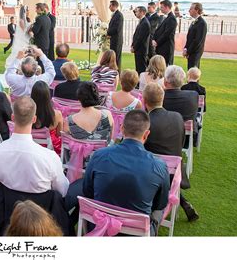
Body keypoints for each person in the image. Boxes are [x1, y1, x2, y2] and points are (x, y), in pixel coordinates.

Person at [68, 110, 170, 236]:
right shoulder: (159, 165)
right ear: (146, 134)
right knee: (159, 211)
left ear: (121, 128)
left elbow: (88, 190)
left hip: (98, 223)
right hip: (135, 232)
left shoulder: (100, 155)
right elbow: (160, 203)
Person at [0, 96, 69, 196]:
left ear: (13, 117)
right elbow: (63, 190)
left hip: (8, 208)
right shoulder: (49, 157)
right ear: (34, 119)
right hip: (38, 208)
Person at [142, 82, 199, 222]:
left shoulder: (144, 121)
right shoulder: (177, 117)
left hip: (150, 172)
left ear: (144, 101)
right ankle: (183, 202)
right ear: (163, 98)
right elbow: (179, 144)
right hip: (173, 171)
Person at [162, 65, 199, 143]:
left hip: (163, 134)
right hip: (184, 137)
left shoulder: (159, 97)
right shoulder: (193, 95)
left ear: (165, 82)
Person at [31, 81, 63, 155]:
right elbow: (59, 134)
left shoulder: (27, 113)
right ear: (48, 95)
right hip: (50, 149)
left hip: (30, 146)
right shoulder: (57, 114)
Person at [152, 0, 178, 66]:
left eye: (162, 7)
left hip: (166, 48)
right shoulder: (166, 17)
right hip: (161, 47)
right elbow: (158, 30)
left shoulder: (172, 18)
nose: (160, 9)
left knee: (166, 66)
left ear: (167, 7)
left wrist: (157, 42)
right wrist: (154, 39)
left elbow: (167, 34)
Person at [183, 3, 208, 69]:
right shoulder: (194, 22)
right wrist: (185, 48)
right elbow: (189, 37)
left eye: (191, 9)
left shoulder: (202, 23)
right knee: (190, 72)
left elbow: (197, 41)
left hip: (195, 52)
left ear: (197, 10)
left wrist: (188, 51)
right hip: (191, 51)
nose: (189, 10)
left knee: (193, 72)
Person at [29, 3, 51, 68]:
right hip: (46, 43)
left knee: (40, 63)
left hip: (40, 43)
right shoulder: (48, 18)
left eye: (36, 9)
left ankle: (39, 76)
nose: (35, 11)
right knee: (45, 62)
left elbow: (35, 31)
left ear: (39, 9)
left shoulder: (39, 19)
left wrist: (32, 26)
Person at [131, 6, 151, 75]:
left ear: (142, 12)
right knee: (138, 67)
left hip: (142, 50)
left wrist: (134, 47)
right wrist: (132, 45)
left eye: (137, 11)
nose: (136, 13)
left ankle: (141, 83)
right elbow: (136, 35)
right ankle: (138, 83)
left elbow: (141, 38)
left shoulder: (145, 23)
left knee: (141, 68)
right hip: (138, 49)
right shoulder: (142, 21)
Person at [107, 0, 124, 70]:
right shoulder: (115, 14)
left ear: (114, 6)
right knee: (113, 57)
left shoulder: (119, 15)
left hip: (117, 41)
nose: (109, 7)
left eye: (110, 5)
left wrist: (107, 32)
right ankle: (113, 71)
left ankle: (117, 73)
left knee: (116, 57)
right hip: (113, 39)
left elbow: (116, 28)